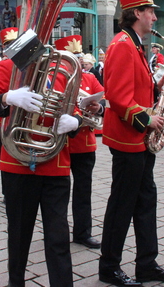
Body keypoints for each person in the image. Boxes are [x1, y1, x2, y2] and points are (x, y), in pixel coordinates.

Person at [0, 31, 82, 287]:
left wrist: (75, 121)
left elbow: (73, 105)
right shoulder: (6, 67)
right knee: (19, 235)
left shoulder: (63, 68)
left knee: (58, 237)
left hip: (55, 163)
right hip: (18, 164)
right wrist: (7, 98)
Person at [99, 0, 164, 286]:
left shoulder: (133, 43)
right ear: (137, 12)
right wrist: (149, 119)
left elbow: (133, 88)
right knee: (122, 204)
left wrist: (160, 87)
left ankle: (147, 263)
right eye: (150, 12)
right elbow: (118, 97)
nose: (155, 18)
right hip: (128, 139)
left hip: (139, 141)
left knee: (146, 201)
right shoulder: (122, 44)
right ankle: (109, 267)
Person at [55, 36, 104, 250]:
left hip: (85, 142)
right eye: (71, 57)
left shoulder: (89, 77)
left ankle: (83, 232)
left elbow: (101, 98)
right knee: (58, 193)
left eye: (78, 57)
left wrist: (97, 107)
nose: (76, 61)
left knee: (83, 190)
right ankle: (56, 232)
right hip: (61, 143)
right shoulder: (55, 78)